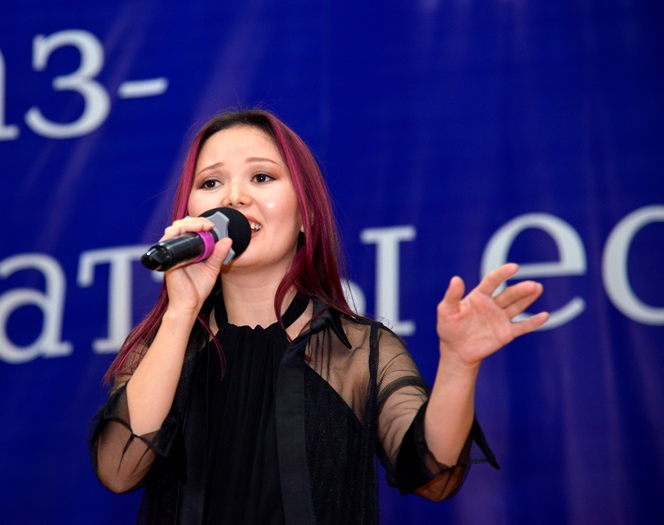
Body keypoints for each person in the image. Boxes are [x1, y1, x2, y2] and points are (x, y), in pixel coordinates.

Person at [88, 109, 549, 525]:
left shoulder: (357, 350)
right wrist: (181, 312)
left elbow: (434, 475)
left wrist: (459, 365)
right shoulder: (165, 346)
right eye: (211, 183)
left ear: (306, 214)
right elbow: (118, 470)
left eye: (262, 177)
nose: (234, 197)